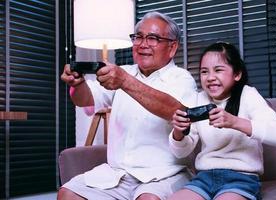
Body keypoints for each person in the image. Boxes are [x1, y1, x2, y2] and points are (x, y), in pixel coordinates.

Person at [58, 11, 197, 200]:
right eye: (138, 37)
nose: (142, 44)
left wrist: (125, 81)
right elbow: (86, 100)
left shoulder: (181, 78)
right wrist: (77, 84)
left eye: (153, 38)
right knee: (67, 194)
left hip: (164, 174)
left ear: (172, 47)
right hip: (118, 174)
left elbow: (177, 111)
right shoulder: (123, 72)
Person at [168, 42, 276, 200]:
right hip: (203, 178)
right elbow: (181, 152)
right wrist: (178, 132)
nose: (210, 78)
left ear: (237, 74)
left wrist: (234, 122)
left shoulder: (248, 95)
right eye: (204, 72)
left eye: (218, 70)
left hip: (241, 179)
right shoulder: (199, 99)